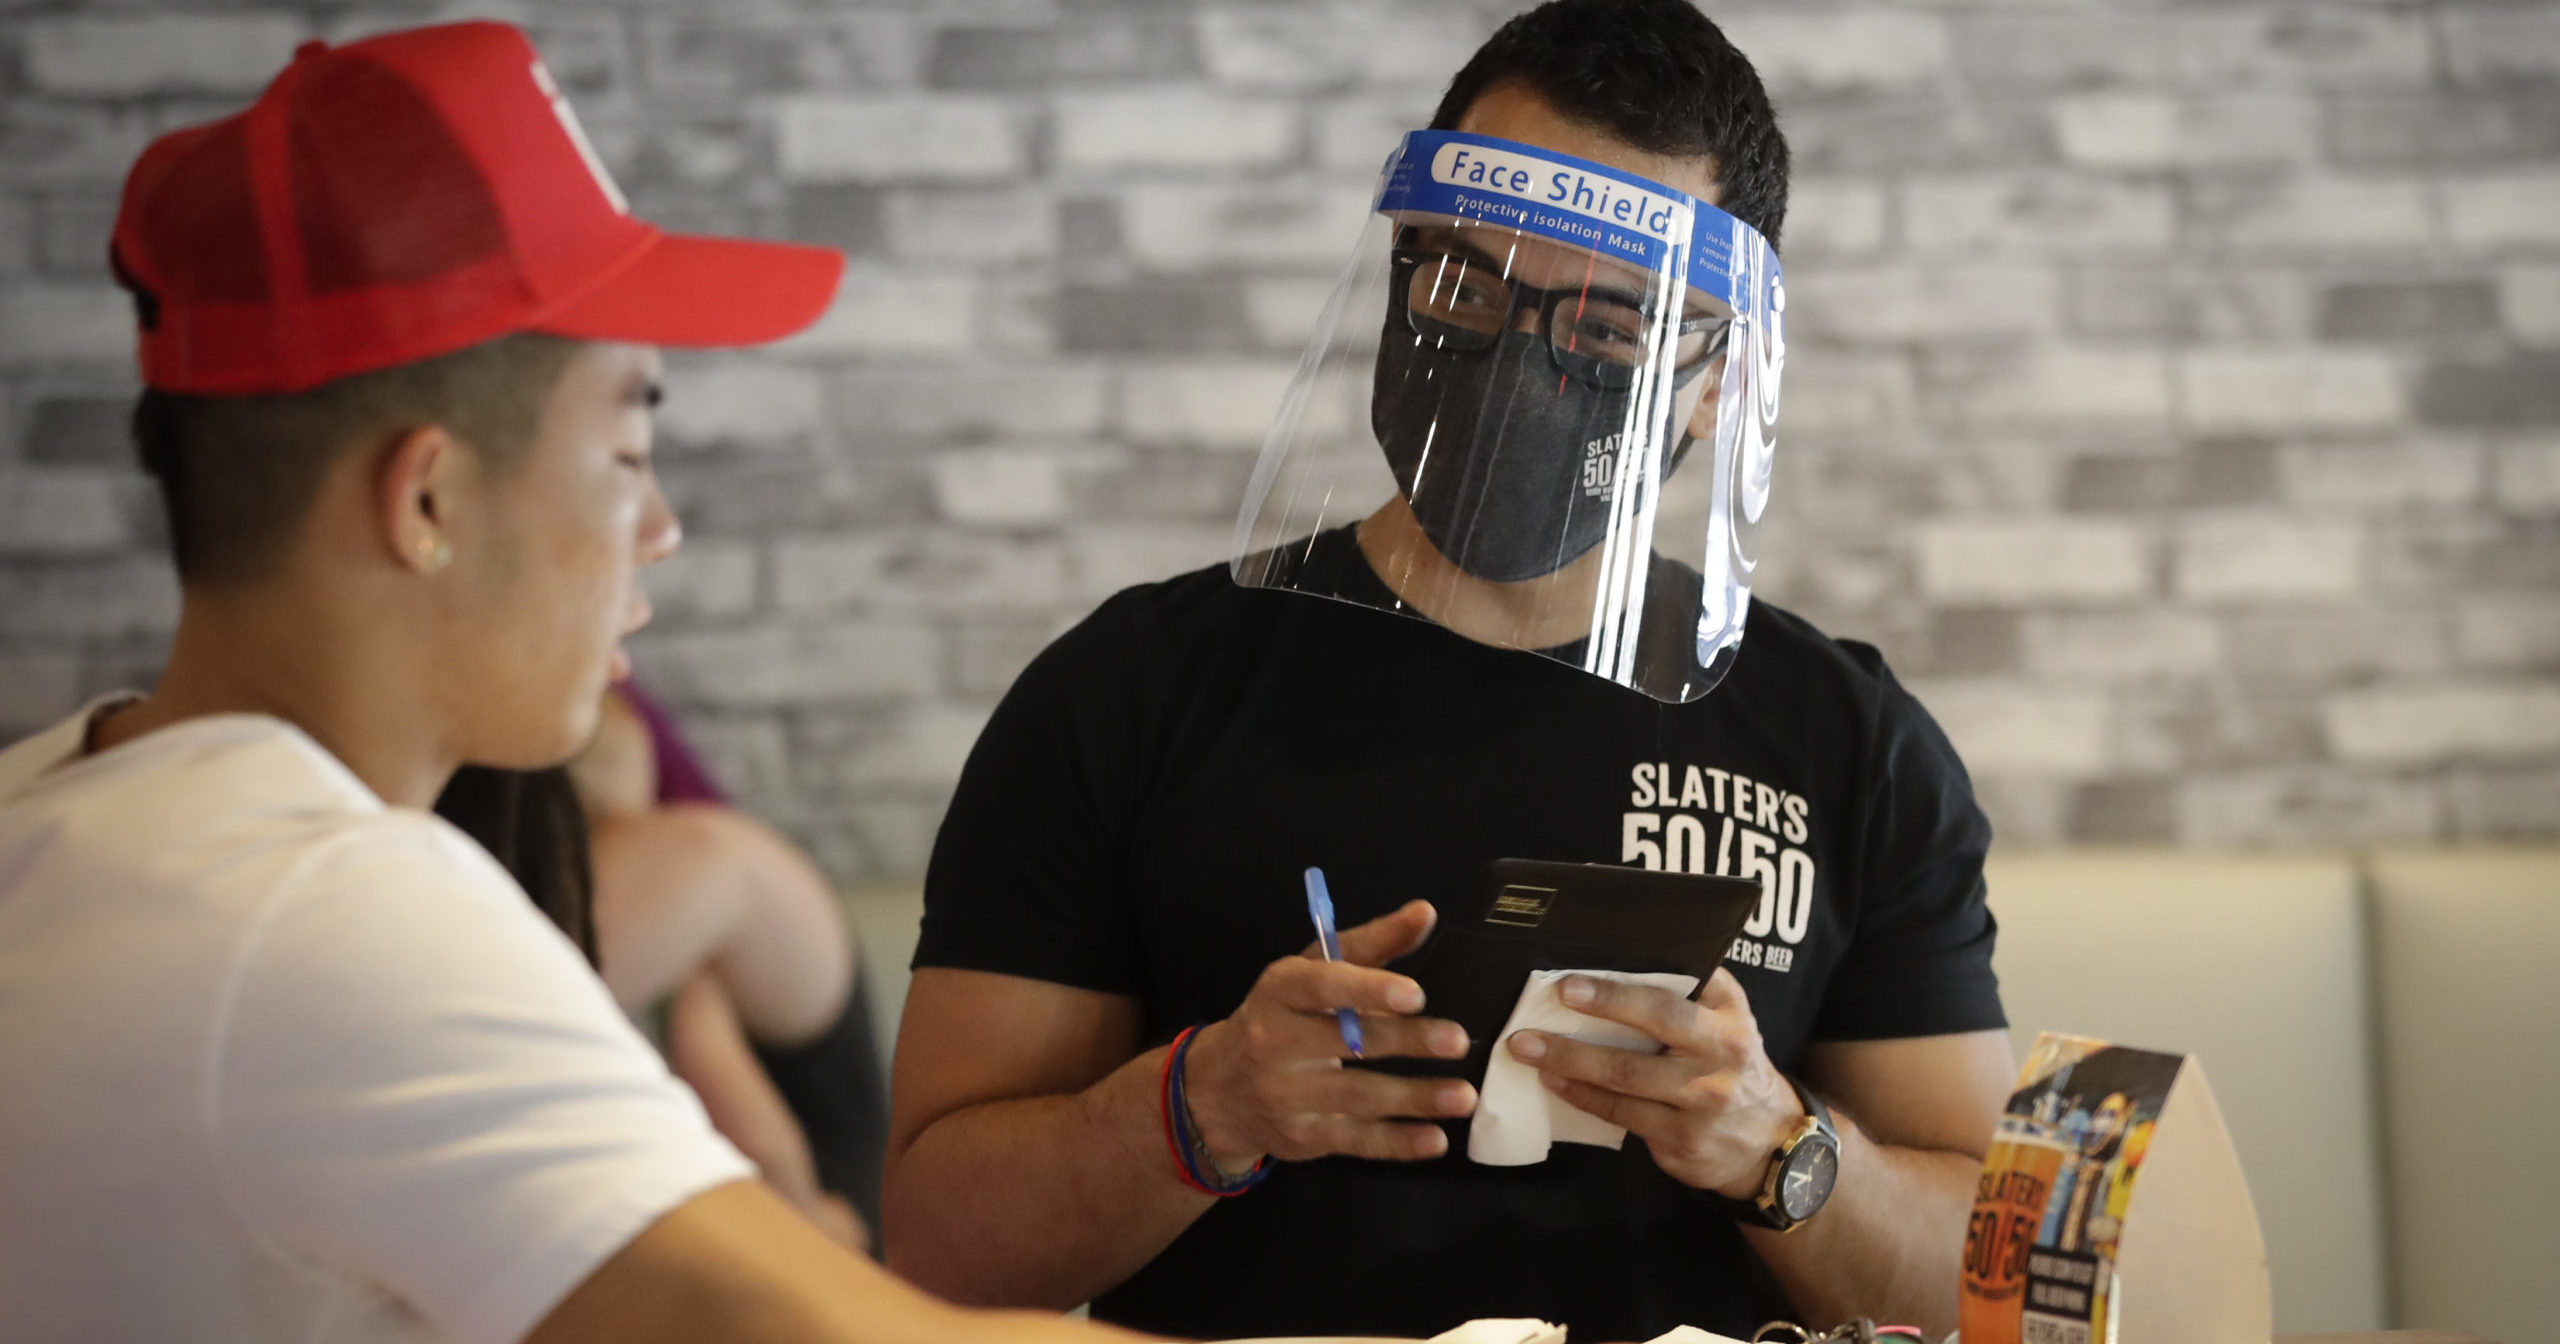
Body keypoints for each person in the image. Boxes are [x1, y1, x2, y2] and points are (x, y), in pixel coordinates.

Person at [884, 3, 2015, 1340]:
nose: (1522, 364)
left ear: (1716, 382)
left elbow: (1993, 1281)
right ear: (1400, 274)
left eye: (1606, 330)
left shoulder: (1847, 744)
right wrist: (1198, 1111)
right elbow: (935, 1250)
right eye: (1469, 288)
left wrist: (1782, 1151)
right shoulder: (1130, 692)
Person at [0, 23, 1140, 1344]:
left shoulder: (51, 802)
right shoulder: (334, 917)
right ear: (427, 497)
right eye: (625, 447)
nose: (659, 526)